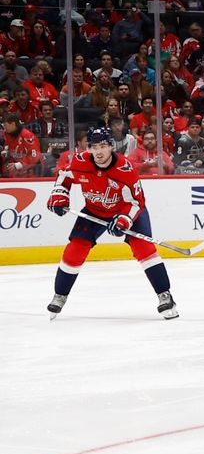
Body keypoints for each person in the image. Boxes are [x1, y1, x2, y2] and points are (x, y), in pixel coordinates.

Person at [45, 126, 179, 320]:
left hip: (126, 210)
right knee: (75, 248)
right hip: (94, 210)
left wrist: (124, 220)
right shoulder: (81, 161)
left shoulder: (125, 169)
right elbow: (64, 176)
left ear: (111, 146)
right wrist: (60, 194)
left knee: (144, 248)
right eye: (93, 146)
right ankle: (60, 295)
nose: (98, 152)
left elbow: (136, 202)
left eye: (102, 146)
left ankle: (165, 296)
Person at [2, 113, 43, 177]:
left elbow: (35, 156)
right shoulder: (7, 134)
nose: (4, 128)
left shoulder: (27, 135)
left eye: (5, 125)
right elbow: (7, 146)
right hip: (15, 169)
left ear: (13, 124)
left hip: (30, 170)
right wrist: (6, 151)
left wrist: (18, 165)